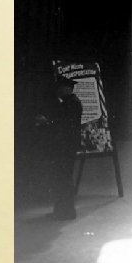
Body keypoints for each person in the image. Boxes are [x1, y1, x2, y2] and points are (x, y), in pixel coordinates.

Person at [36, 76, 82, 220]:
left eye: (60, 88)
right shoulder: (72, 102)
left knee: (63, 178)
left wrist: (46, 122)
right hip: (68, 145)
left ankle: (65, 212)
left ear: (67, 88)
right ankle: (63, 210)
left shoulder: (71, 103)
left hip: (65, 146)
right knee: (63, 178)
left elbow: (62, 126)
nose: (58, 91)